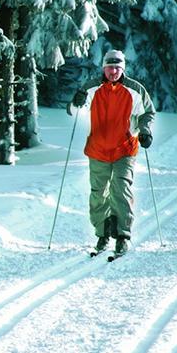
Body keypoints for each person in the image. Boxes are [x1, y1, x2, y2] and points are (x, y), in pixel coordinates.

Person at [67, 49, 156, 257]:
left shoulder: (135, 90)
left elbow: (148, 113)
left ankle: (123, 236)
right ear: (104, 68)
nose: (113, 71)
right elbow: (72, 108)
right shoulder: (91, 88)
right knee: (98, 194)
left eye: (117, 67)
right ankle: (103, 234)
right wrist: (75, 100)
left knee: (120, 190)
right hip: (98, 149)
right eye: (110, 67)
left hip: (124, 149)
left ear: (122, 68)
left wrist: (145, 131)